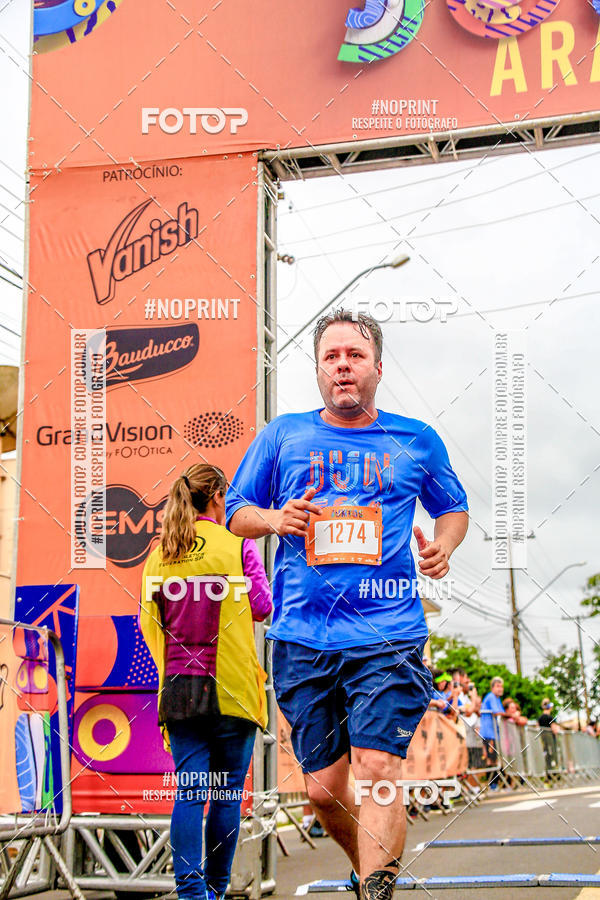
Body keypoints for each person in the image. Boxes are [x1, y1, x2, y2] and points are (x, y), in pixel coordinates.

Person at [225, 309, 469, 900]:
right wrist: (276, 518)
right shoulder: (282, 435)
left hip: (388, 632)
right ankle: (369, 869)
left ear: (377, 369)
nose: (342, 366)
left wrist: (443, 545)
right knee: (322, 790)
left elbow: (453, 507)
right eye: (331, 357)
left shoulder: (415, 439)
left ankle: (376, 892)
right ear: (317, 371)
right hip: (303, 638)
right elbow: (236, 511)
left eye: (354, 356)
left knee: (379, 771)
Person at [139, 464, 272, 900]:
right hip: (233, 688)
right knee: (228, 794)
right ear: (216, 495)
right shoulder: (238, 547)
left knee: (191, 792)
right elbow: (262, 607)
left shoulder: (159, 554)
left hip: (180, 689)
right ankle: (215, 890)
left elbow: (148, 623)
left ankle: (191, 894)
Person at [479, 677, 506, 790]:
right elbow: (497, 712)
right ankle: (492, 784)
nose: (500, 689)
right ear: (493, 687)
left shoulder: (497, 699)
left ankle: (495, 783)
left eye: (501, 686)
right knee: (491, 759)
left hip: (494, 733)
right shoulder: (491, 697)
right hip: (488, 733)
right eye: (498, 686)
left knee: (495, 759)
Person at [538, 698, 560, 777]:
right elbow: (555, 730)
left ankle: (548, 774)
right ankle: (554, 774)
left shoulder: (540, 718)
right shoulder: (550, 718)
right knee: (553, 755)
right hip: (550, 739)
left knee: (547, 755)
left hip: (543, 740)